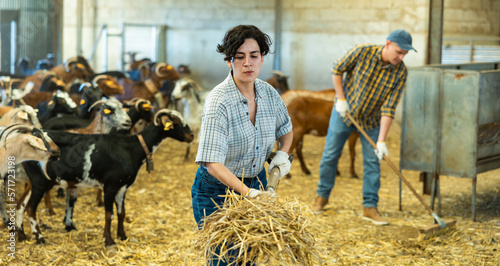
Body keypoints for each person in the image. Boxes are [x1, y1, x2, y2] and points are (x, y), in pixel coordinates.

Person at [191, 24, 293, 265]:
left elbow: (286, 130)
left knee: (250, 256)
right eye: (239, 57)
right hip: (217, 190)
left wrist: (283, 154)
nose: (248, 63)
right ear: (229, 61)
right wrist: (248, 194)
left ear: (262, 58)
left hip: (257, 182)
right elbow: (212, 163)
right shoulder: (219, 102)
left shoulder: (268, 93)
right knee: (224, 258)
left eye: (254, 56)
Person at [311, 29, 417, 225]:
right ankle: (322, 197)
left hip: (371, 122)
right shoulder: (362, 52)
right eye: (399, 52)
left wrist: (382, 140)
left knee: (372, 163)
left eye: (405, 54)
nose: (401, 57)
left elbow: (389, 108)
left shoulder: (400, 72)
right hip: (344, 113)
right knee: (330, 155)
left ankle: (370, 207)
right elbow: (337, 69)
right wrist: (341, 99)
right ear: (388, 44)